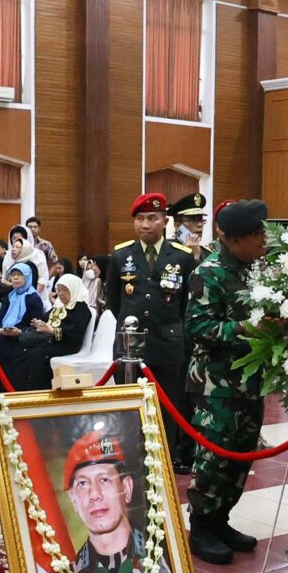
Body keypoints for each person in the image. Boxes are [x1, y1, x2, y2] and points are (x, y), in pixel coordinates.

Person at [42, 421, 185, 573]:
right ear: (74, 500)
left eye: (105, 480)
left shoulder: (170, 566)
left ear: (127, 488)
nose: (94, 495)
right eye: (83, 484)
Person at [186, 200, 271, 563]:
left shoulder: (255, 269)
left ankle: (222, 519)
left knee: (241, 457)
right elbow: (198, 326)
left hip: (250, 382)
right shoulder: (210, 272)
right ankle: (202, 526)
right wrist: (248, 329)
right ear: (236, 240)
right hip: (215, 385)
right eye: (258, 234)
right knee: (214, 458)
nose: (264, 240)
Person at [108, 192, 200, 459]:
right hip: (129, 347)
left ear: (165, 221)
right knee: (130, 411)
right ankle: (132, 464)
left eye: (152, 218)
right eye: (139, 219)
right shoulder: (120, 256)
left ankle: (164, 465)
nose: (145, 224)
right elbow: (115, 303)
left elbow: (186, 305)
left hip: (168, 348)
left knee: (167, 411)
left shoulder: (182, 258)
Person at [0, 272, 94, 393]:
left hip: (67, 345)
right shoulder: (59, 305)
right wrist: (37, 324)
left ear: (73, 289)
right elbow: (45, 320)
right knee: (21, 350)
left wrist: (51, 331)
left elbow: (75, 334)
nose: (61, 294)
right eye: (59, 290)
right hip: (51, 341)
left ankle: (35, 393)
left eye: (65, 290)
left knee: (35, 355)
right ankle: (14, 391)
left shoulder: (81, 308)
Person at [0, 259, 45, 337]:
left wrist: (20, 332)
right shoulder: (10, 296)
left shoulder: (33, 298)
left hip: (22, 337)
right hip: (3, 332)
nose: (15, 278)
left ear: (27, 277)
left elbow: (38, 327)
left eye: (19, 274)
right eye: (13, 275)